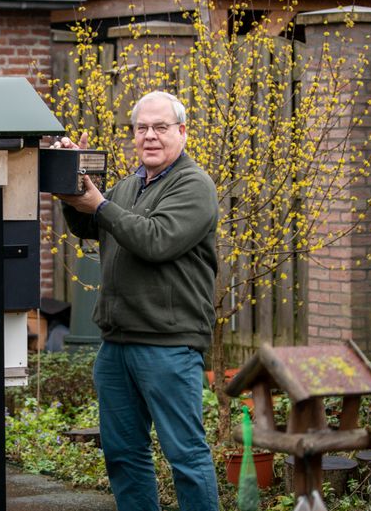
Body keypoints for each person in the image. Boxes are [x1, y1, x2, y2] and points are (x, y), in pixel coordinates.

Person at [56, 91, 220, 511]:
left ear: (181, 132)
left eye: (160, 127)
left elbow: (156, 240)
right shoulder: (130, 185)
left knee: (185, 456)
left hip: (168, 344)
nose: (150, 136)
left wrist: (101, 205)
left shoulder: (194, 185)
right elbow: (93, 224)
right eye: (142, 128)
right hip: (117, 345)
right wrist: (72, 184)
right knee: (123, 455)